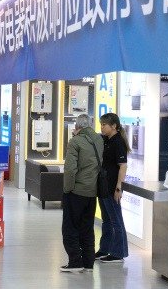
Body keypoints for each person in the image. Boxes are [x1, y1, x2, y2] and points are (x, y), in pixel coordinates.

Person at [60, 114, 104, 273]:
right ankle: (88, 263)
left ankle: (75, 261)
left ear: (77, 126)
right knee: (87, 228)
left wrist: (67, 189)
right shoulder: (99, 140)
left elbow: (70, 169)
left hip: (76, 191)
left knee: (70, 228)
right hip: (92, 192)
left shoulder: (75, 142)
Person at [95, 112, 130, 263]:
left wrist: (118, 188)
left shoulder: (118, 142)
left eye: (104, 125)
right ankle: (104, 249)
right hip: (103, 186)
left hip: (111, 187)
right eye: (101, 124)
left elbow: (123, 166)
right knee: (107, 220)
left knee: (116, 220)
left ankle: (118, 253)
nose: (102, 127)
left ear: (114, 126)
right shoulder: (106, 140)